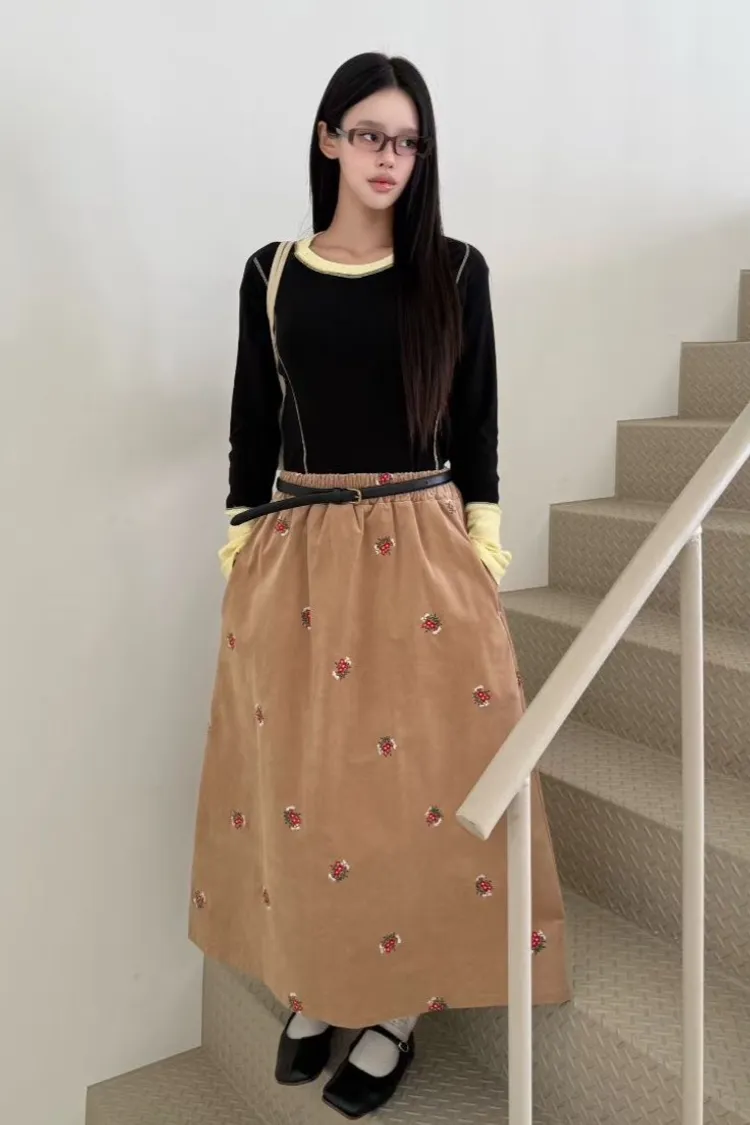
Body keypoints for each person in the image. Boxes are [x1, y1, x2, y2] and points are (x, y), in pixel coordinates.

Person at [189, 51, 570, 1120]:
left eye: (406, 140)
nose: (388, 156)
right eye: (368, 134)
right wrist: (241, 537)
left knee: (417, 789)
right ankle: (319, 983)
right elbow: (253, 419)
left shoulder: (454, 271)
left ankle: (396, 1008)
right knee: (309, 785)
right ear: (328, 139)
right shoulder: (272, 272)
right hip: (300, 548)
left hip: (423, 540)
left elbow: (477, 419)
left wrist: (482, 541)